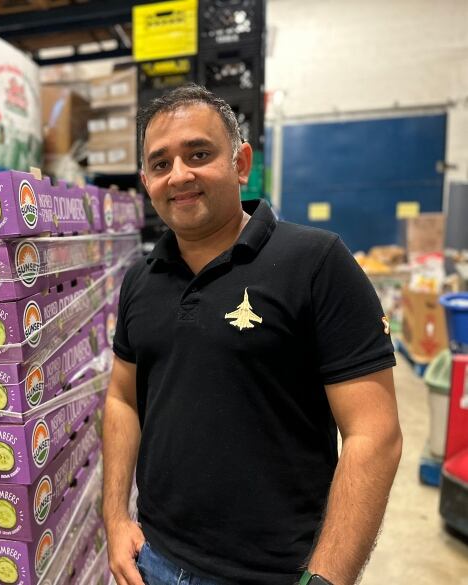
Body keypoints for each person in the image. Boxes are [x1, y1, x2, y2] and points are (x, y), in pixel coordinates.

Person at [102, 84, 403, 585]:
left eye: (199, 154)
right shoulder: (141, 278)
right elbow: (122, 398)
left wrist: (325, 579)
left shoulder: (316, 262)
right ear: (146, 181)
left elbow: (375, 434)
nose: (179, 175)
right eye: (160, 164)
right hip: (152, 561)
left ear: (241, 163)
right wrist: (114, 518)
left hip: (276, 573)